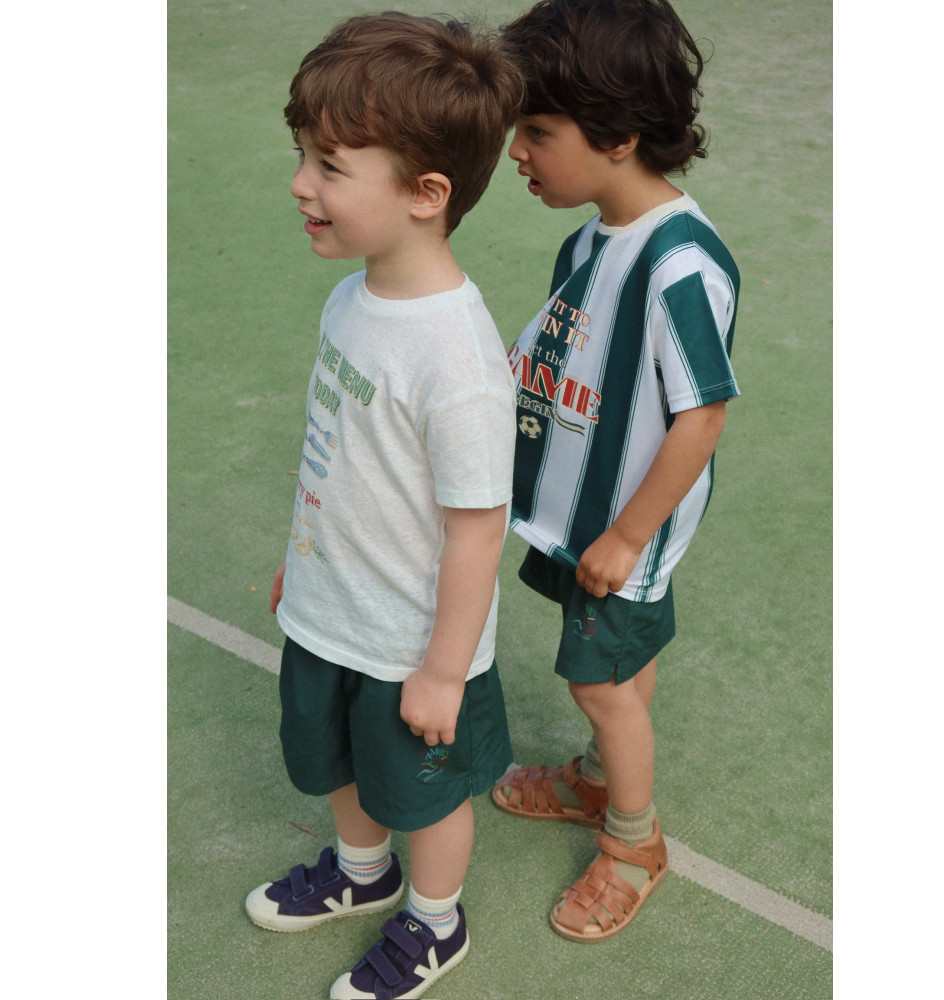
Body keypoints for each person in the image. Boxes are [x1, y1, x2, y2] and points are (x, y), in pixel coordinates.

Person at [243, 13, 522, 999]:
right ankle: (362, 872)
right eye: (302, 156)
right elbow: (341, 456)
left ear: (425, 194)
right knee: (335, 759)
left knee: (424, 793)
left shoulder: (457, 362)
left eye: (328, 165)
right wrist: (303, 560)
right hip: (331, 608)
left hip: (412, 644)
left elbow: (478, 529)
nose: (300, 184)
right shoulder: (352, 299)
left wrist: (444, 669)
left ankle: (435, 922)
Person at [493, 0, 741, 942]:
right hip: (578, 514)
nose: (517, 151)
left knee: (600, 684)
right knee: (620, 670)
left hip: (617, 530)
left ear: (618, 136)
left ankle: (634, 843)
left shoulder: (677, 264)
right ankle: (599, 779)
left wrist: (629, 535)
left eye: (537, 132)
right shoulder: (591, 237)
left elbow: (702, 413)